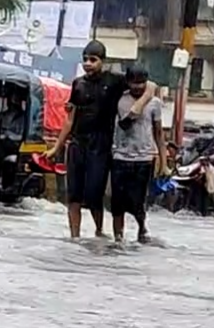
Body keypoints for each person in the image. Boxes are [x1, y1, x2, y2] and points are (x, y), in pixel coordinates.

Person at [47, 41, 155, 240]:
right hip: (78, 143)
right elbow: (70, 119)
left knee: (94, 193)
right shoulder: (78, 84)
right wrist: (56, 147)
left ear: (102, 61)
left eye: (93, 60)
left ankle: (99, 230)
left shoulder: (114, 81)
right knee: (74, 195)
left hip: (101, 145)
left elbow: (151, 86)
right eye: (85, 60)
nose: (88, 64)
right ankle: (75, 237)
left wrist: (138, 106)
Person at [109, 66, 165, 243]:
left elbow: (159, 133)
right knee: (117, 201)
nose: (138, 86)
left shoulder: (155, 103)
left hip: (144, 158)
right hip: (120, 156)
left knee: (139, 200)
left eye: (142, 83)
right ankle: (118, 237)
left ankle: (142, 229)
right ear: (128, 82)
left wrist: (164, 162)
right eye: (134, 82)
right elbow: (122, 123)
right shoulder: (120, 100)